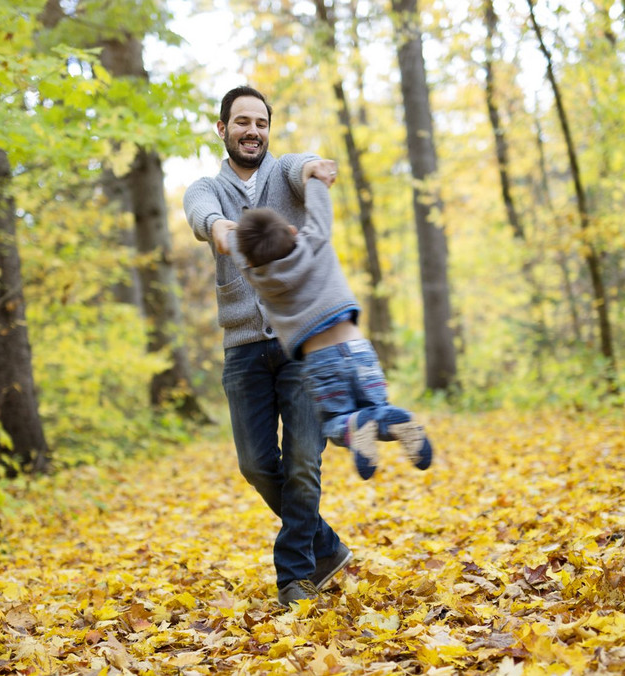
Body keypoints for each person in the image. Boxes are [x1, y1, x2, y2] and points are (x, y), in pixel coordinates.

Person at [182, 86, 351, 606]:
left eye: (260, 122)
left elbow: (301, 165)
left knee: (303, 459)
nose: (252, 130)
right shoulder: (208, 186)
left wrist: (315, 169)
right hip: (244, 350)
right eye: (241, 122)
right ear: (223, 129)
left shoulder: (281, 174)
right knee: (257, 464)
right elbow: (200, 212)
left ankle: (296, 576)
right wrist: (221, 230)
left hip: (302, 340)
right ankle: (325, 543)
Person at [229, 188, 434, 483]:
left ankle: (354, 424)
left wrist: (230, 232)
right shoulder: (315, 243)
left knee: (338, 424)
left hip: (320, 360)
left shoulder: (258, 277)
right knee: (377, 411)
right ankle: (398, 420)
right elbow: (321, 213)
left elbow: (238, 253)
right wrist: (315, 177)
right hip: (359, 348)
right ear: (291, 230)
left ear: (250, 260)